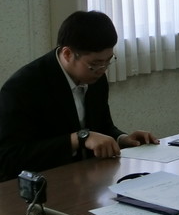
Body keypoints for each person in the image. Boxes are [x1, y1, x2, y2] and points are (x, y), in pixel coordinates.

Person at [0, 11, 158, 182]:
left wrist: (122, 139)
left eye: (108, 61)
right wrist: (78, 139)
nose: (103, 69)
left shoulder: (95, 76)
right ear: (67, 54)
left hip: (87, 178)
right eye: (95, 63)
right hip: (41, 183)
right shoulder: (23, 87)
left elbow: (102, 127)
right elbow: (9, 158)